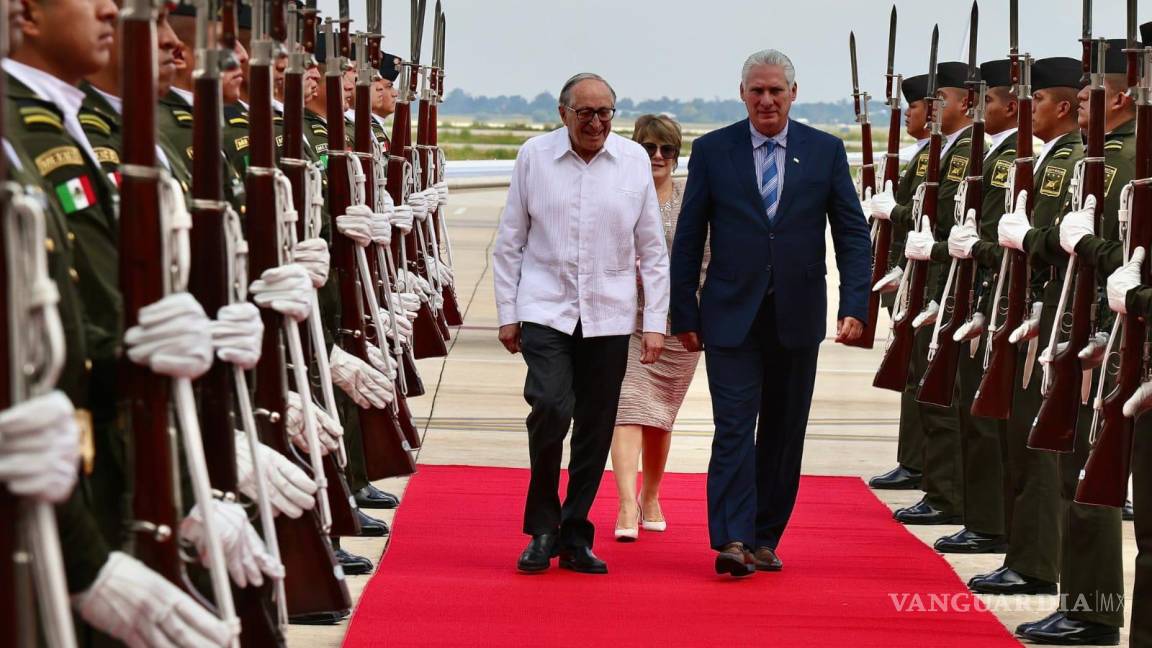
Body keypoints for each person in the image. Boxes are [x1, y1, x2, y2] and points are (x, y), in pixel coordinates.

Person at [669, 49, 870, 577]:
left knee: (783, 431)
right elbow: (689, 238)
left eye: (775, 90)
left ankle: (763, 536)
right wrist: (682, 313)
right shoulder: (713, 151)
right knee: (734, 426)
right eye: (756, 91)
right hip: (730, 315)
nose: (766, 100)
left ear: (793, 94)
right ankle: (731, 538)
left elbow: (851, 233)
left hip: (797, 317)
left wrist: (855, 304)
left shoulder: (825, 152)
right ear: (742, 94)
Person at [493, 72, 669, 575]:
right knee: (550, 406)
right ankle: (542, 528)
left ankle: (574, 533)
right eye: (585, 113)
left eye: (605, 113)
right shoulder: (535, 156)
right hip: (545, 307)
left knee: (595, 425)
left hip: (610, 313)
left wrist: (653, 321)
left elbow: (652, 252)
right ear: (563, 113)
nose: (596, 123)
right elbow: (510, 242)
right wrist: (508, 313)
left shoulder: (632, 161)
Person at [610, 114, 701, 541]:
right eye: (649, 148)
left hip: (680, 324)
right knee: (628, 407)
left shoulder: (692, 199)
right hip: (627, 320)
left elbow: (707, 258)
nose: (658, 156)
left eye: (667, 149)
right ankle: (626, 504)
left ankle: (651, 494)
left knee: (660, 417)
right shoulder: (621, 196)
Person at [866, 73, 931, 492]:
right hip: (914, 276)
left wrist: (896, 212)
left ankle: (923, 467)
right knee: (914, 372)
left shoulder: (939, 154)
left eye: (919, 104)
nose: (910, 112)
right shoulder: (922, 153)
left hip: (931, 278)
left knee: (925, 376)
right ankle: (914, 460)